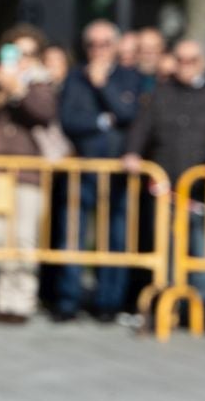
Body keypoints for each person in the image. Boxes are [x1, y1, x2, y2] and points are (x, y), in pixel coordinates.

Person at [124, 39, 205, 313]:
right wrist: (133, 152)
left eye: (191, 60)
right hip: (165, 186)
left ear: (202, 63)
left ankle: (200, 307)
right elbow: (141, 128)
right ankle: (168, 303)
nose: (185, 66)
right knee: (166, 249)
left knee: (199, 251)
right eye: (180, 60)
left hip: (201, 188)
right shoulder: (161, 93)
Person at [54, 20, 143, 323]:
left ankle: (108, 302)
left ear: (116, 46)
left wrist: (103, 86)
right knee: (73, 237)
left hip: (117, 171)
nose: (98, 50)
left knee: (114, 239)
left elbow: (128, 114)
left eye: (105, 43)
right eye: (92, 44)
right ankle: (69, 300)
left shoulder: (130, 77)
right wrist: (102, 121)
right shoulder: (74, 78)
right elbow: (68, 119)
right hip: (82, 168)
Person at [0, 36, 60, 324]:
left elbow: (44, 113)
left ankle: (23, 302)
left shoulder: (40, 84)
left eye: (28, 53)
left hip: (28, 174)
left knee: (23, 238)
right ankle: (3, 300)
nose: (22, 58)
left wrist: (18, 90)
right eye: (16, 52)